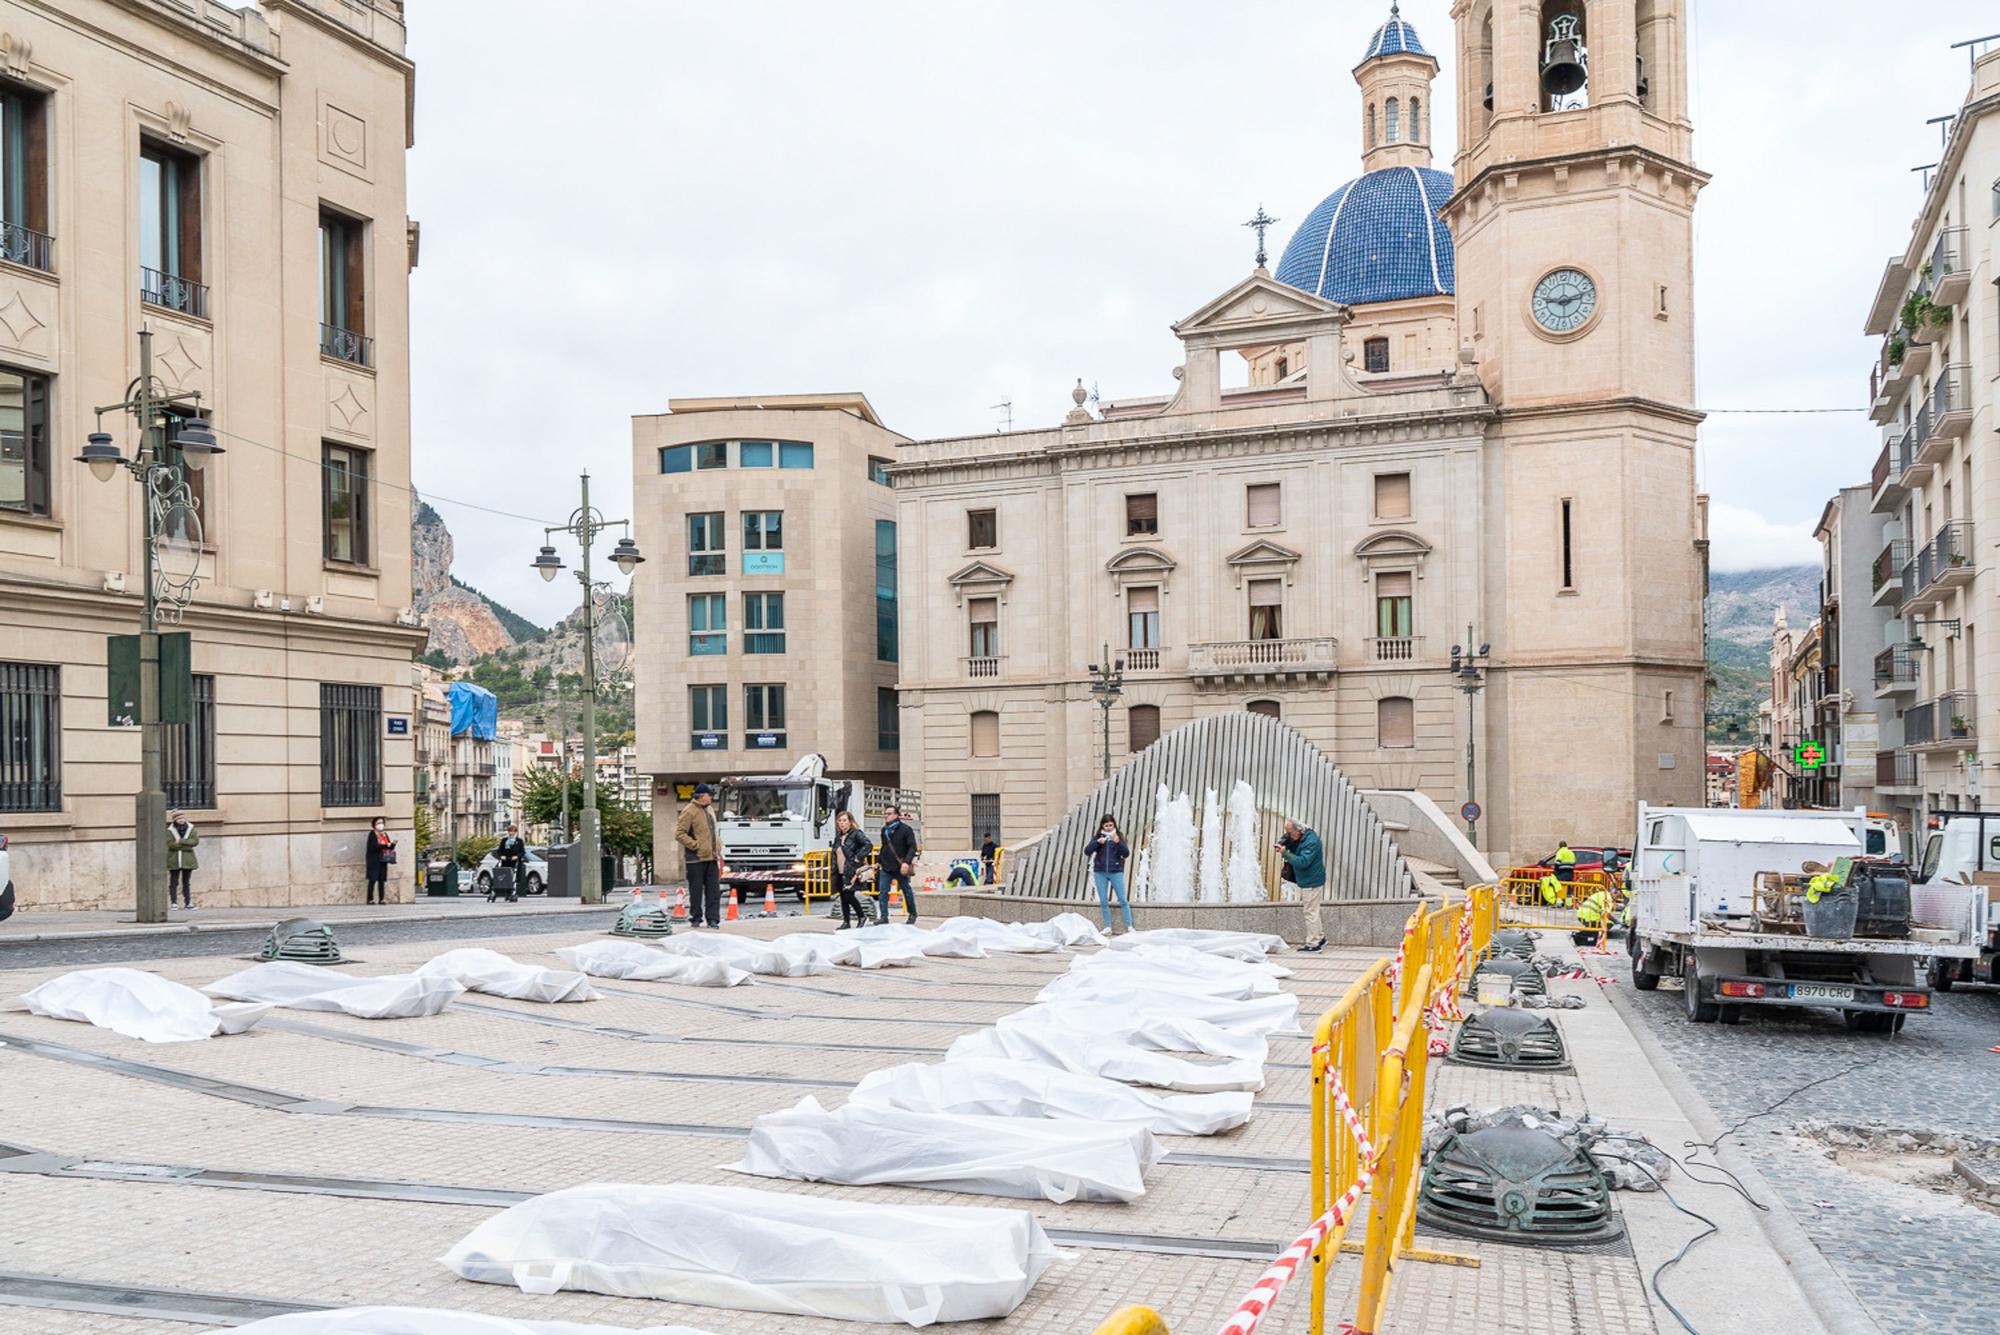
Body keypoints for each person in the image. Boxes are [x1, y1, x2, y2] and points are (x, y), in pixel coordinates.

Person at [675, 784, 722, 928]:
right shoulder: (689, 811)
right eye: (710, 795)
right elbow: (679, 834)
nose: (712, 797)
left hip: (712, 857)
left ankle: (713, 919)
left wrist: (718, 848)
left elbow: (712, 833)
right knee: (696, 890)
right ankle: (696, 918)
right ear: (702, 796)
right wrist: (695, 846)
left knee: (714, 890)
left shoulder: (709, 810)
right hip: (696, 859)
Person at [1278, 819, 1327, 951]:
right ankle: (1320, 937)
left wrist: (1285, 854)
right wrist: (1286, 842)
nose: (1288, 835)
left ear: (1298, 830)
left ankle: (1313, 944)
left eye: (1289, 833)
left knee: (1310, 912)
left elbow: (1303, 861)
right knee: (1313, 911)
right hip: (1309, 880)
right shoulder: (1301, 837)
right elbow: (1296, 849)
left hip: (1311, 882)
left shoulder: (1311, 841)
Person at [1084, 814, 1133, 934]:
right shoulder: (1098, 837)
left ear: (1114, 825)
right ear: (1102, 826)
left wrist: (1118, 842)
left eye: (1111, 825)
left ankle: (1130, 926)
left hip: (1116, 872)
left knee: (1122, 899)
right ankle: (1107, 927)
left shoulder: (1118, 836)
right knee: (1104, 901)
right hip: (1100, 872)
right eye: (1106, 825)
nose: (1109, 828)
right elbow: (1087, 851)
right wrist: (1097, 843)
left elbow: (1126, 853)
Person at [831, 811, 876, 930]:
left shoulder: (856, 834)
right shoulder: (838, 837)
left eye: (844, 820)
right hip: (839, 871)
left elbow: (868, 845)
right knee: (843, 897)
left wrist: (858, 857)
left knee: (848, 895)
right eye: (840, 821)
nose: (842, 823)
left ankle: (862, 916)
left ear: (850, 822)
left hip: (851, 871)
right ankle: (846, 922)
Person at [876, 805, 920, 925]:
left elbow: (912, 847)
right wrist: (878, 862)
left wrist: (906, 862)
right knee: (883, 891)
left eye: (889, 813)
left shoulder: (906, 829)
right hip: (886, 866)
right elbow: (884, 847)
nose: (886, 816)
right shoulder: (884, 830)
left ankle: (912, 913)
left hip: (900, 866)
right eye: (885, 813)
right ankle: (884, 916)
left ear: (896, 815)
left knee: (906, 890)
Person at [166, 812, 199, 910]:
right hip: (174, 859)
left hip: (188, 859)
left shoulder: (191, 829)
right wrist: (186, 845)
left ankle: (188, 903)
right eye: (178, 819)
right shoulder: (170, 830)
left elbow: (194, 842)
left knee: (186, 882)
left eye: (182, 818)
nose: (181, 820)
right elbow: (170, 844)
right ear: (175, 820)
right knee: (173, 882)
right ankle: (174, 902)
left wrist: (180, 841)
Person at [491, 823, 528, 904]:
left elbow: (522, 852)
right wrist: (501, 856)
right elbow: (499, 850)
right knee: (505, 877)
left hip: (515, 862)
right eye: (510, 831)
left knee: (514, 878)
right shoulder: (504, 840)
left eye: (513, 831)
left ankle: (513, 893)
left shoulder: (519, 841)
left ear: (515, 832)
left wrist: (517, 856)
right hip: (505, 861)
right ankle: (505, 893)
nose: (511, 833)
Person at [364, 817, 396, 906]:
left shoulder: (384, 834)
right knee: (373, 879)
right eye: (378, 823)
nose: (380, 825)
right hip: (374, 860)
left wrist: (392, 844)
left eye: (382, 823)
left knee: (381, 880)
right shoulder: (372, 834)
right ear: (374, 825)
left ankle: (382, 898)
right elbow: (373, 847)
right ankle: (370, 899)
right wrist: (385, 845)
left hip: (383, 859)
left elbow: (389, 847)